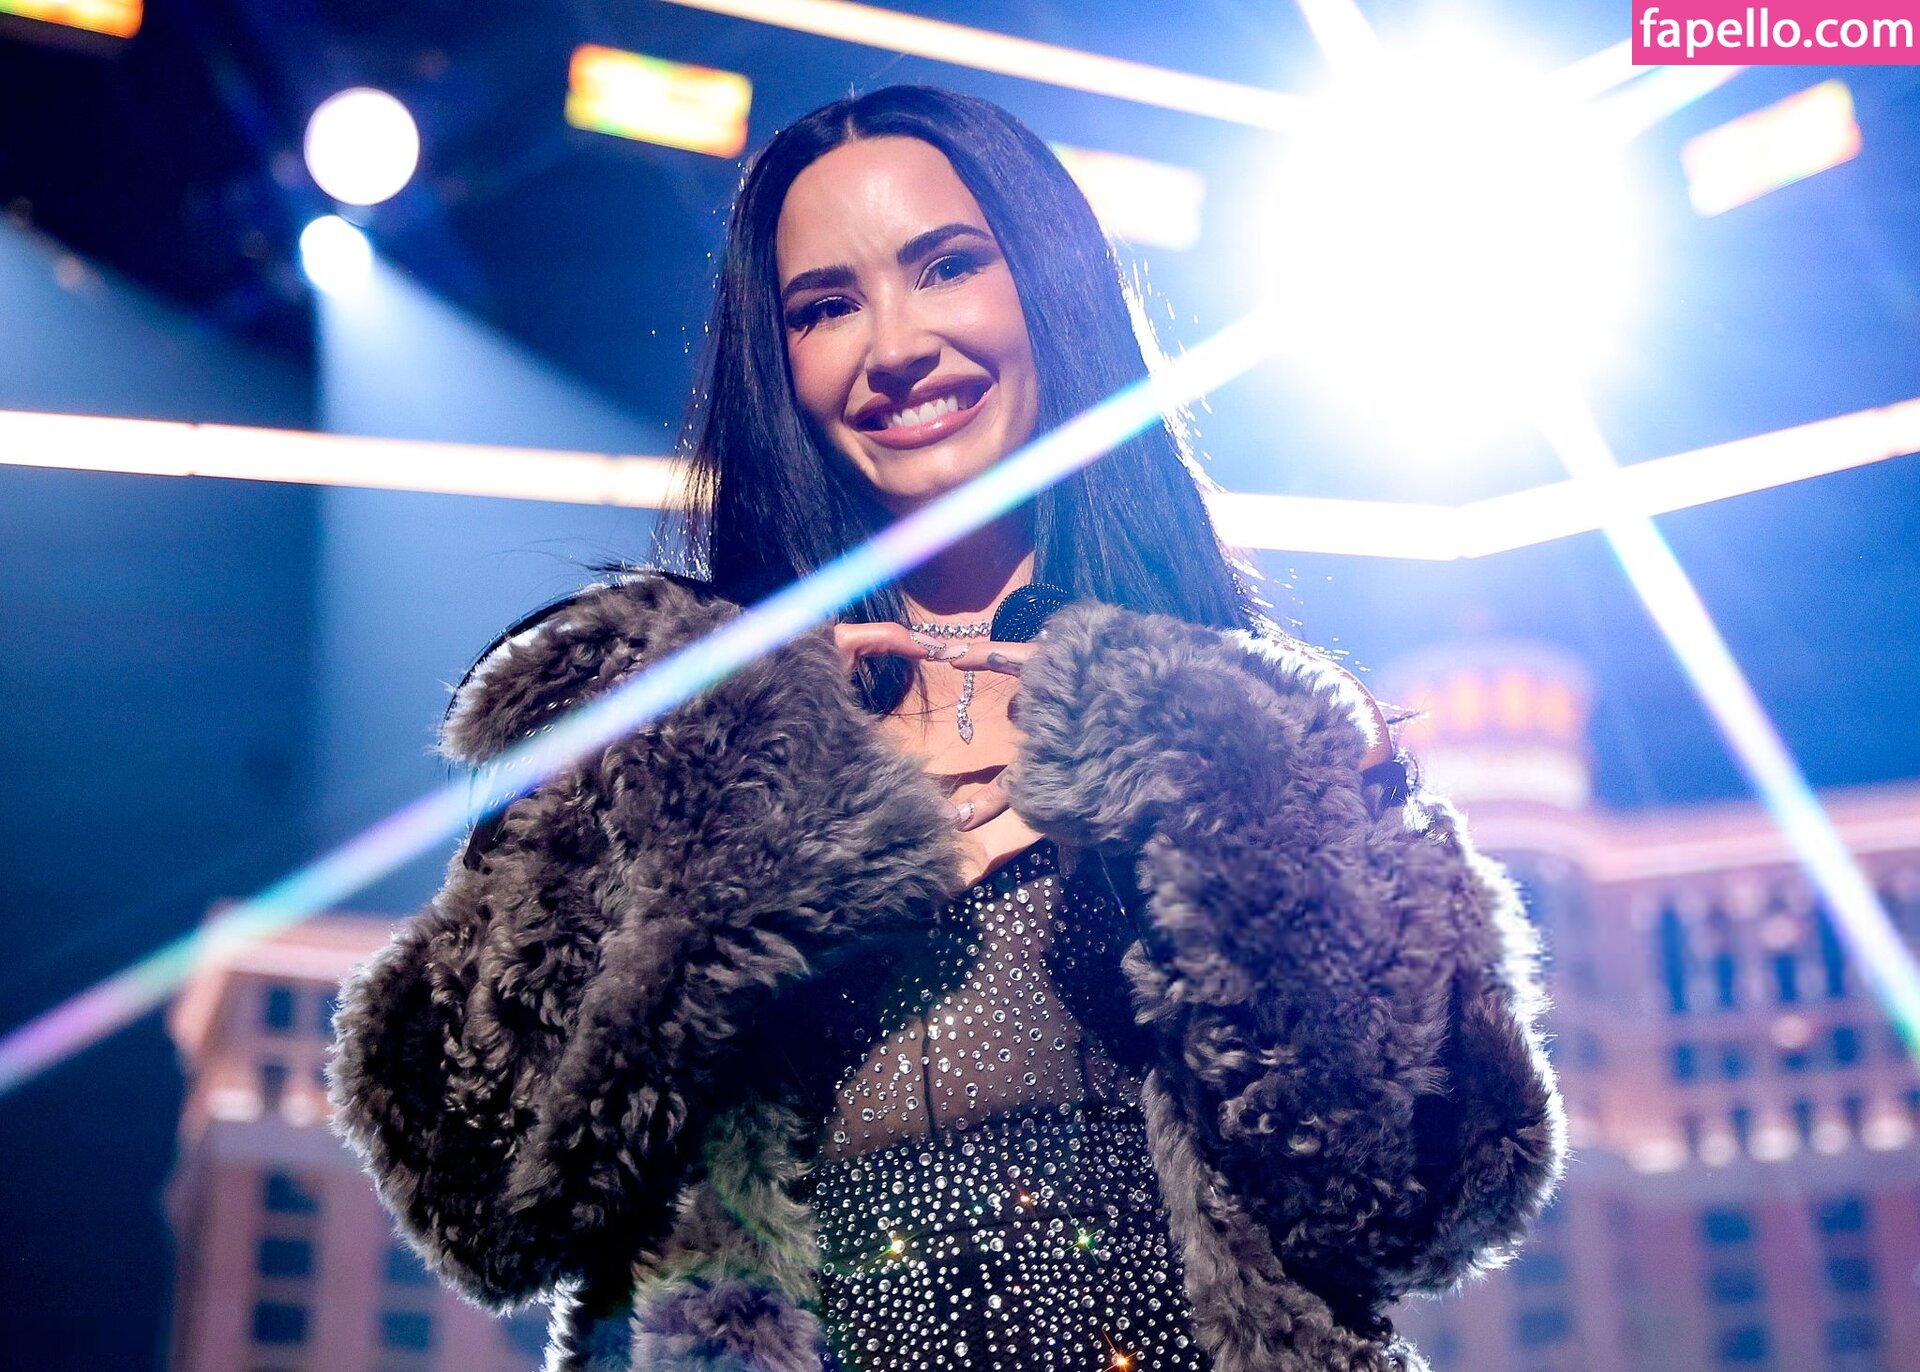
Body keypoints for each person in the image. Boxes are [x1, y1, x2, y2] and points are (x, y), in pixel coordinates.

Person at [328, 85, 1564, 1372]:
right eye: (825, 307)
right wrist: (723, 812)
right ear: (778, 368)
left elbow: (1428, 1201)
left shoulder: (1240, 728)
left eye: (947, 266)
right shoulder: (666, 726)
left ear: (1051, 292)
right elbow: (475, 1189)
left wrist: (1303, 806)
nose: (896, 345)